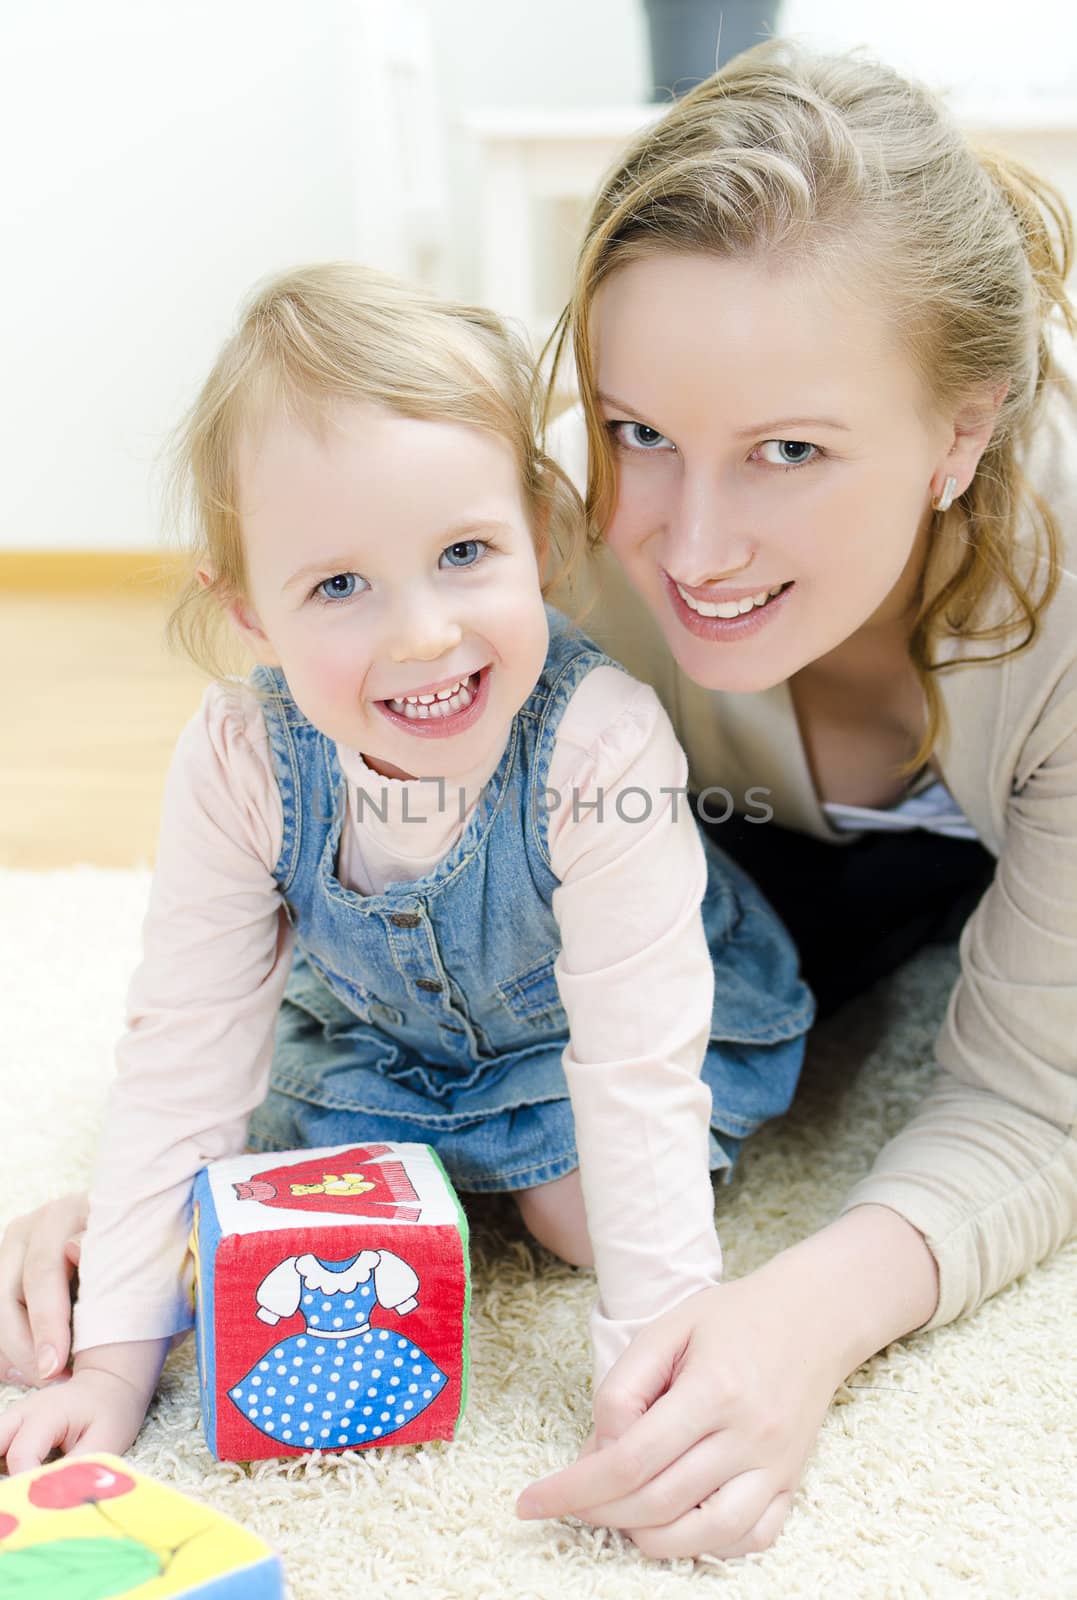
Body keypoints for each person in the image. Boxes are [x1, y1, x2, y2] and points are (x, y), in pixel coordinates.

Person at [0, 262, 811, 1472]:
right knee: (242, 1209)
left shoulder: (597, 739)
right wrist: (119, 1358)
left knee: (582, 1216)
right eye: (338, 585)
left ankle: (507, 1176)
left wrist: (654, 1357)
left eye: (465, 552)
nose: (421, 632)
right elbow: (187, 1037)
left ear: (538, 535)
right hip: (380, 1037)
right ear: (252, 614)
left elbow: (638, 1062)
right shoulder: (241, 755)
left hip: (586, 1027)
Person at [511, 39, 1077, 1558]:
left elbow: (1041, 1093)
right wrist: (181, 1181)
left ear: (963, 431)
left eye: (786, 452)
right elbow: (352, 861)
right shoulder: (552, 536)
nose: (690, 548)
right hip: (714, 852)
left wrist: (799, 1322)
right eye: (640, 431)